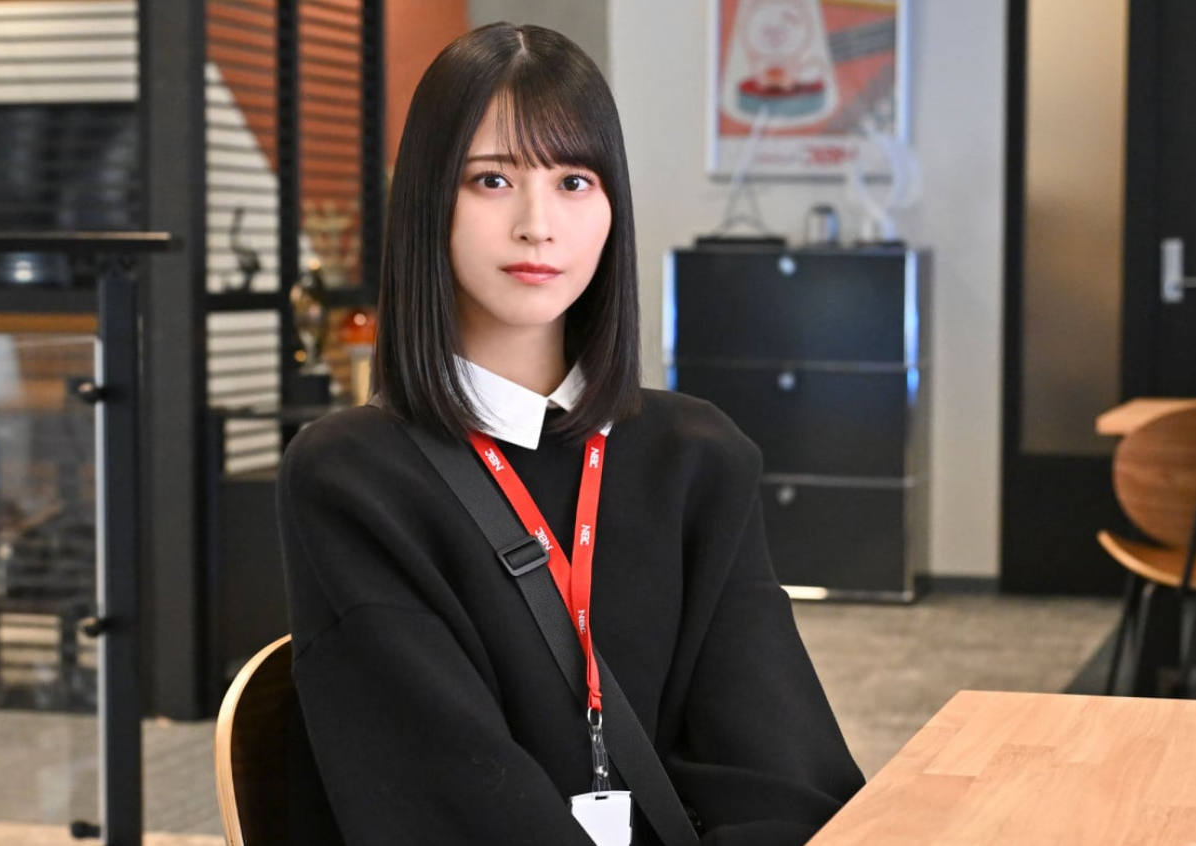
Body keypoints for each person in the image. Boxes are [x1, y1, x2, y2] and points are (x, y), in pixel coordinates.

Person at [277, 22, 864, 846]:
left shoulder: (697, 456)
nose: (537, 224)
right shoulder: (352, 477)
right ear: (427, 203)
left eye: (573, 181)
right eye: (491, 179)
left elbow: (781, 770)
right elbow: (440, 791)